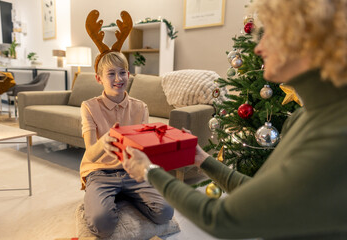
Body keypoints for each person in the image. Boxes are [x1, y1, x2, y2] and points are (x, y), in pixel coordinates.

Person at [121, 0, 347, 239]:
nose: (258, 48)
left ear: (307, 41)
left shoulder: (336, 134)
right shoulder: (305, 116)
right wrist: (203, 160)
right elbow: (260, 196)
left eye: (270, 34)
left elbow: (220, 218)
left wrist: (150, 171)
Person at [79, 51, 174, 238]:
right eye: (111, 73)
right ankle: (107, 197)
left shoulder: (140, 107)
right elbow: (90, 153)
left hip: (133, 170)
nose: (118, 78)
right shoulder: (89, 107)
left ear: (128, 75)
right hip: (100, 172)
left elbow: (145, 149)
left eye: (122, 72)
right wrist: (106, 140)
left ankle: (122, 196)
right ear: (99, 79)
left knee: (165, 213)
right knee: (102, 225)